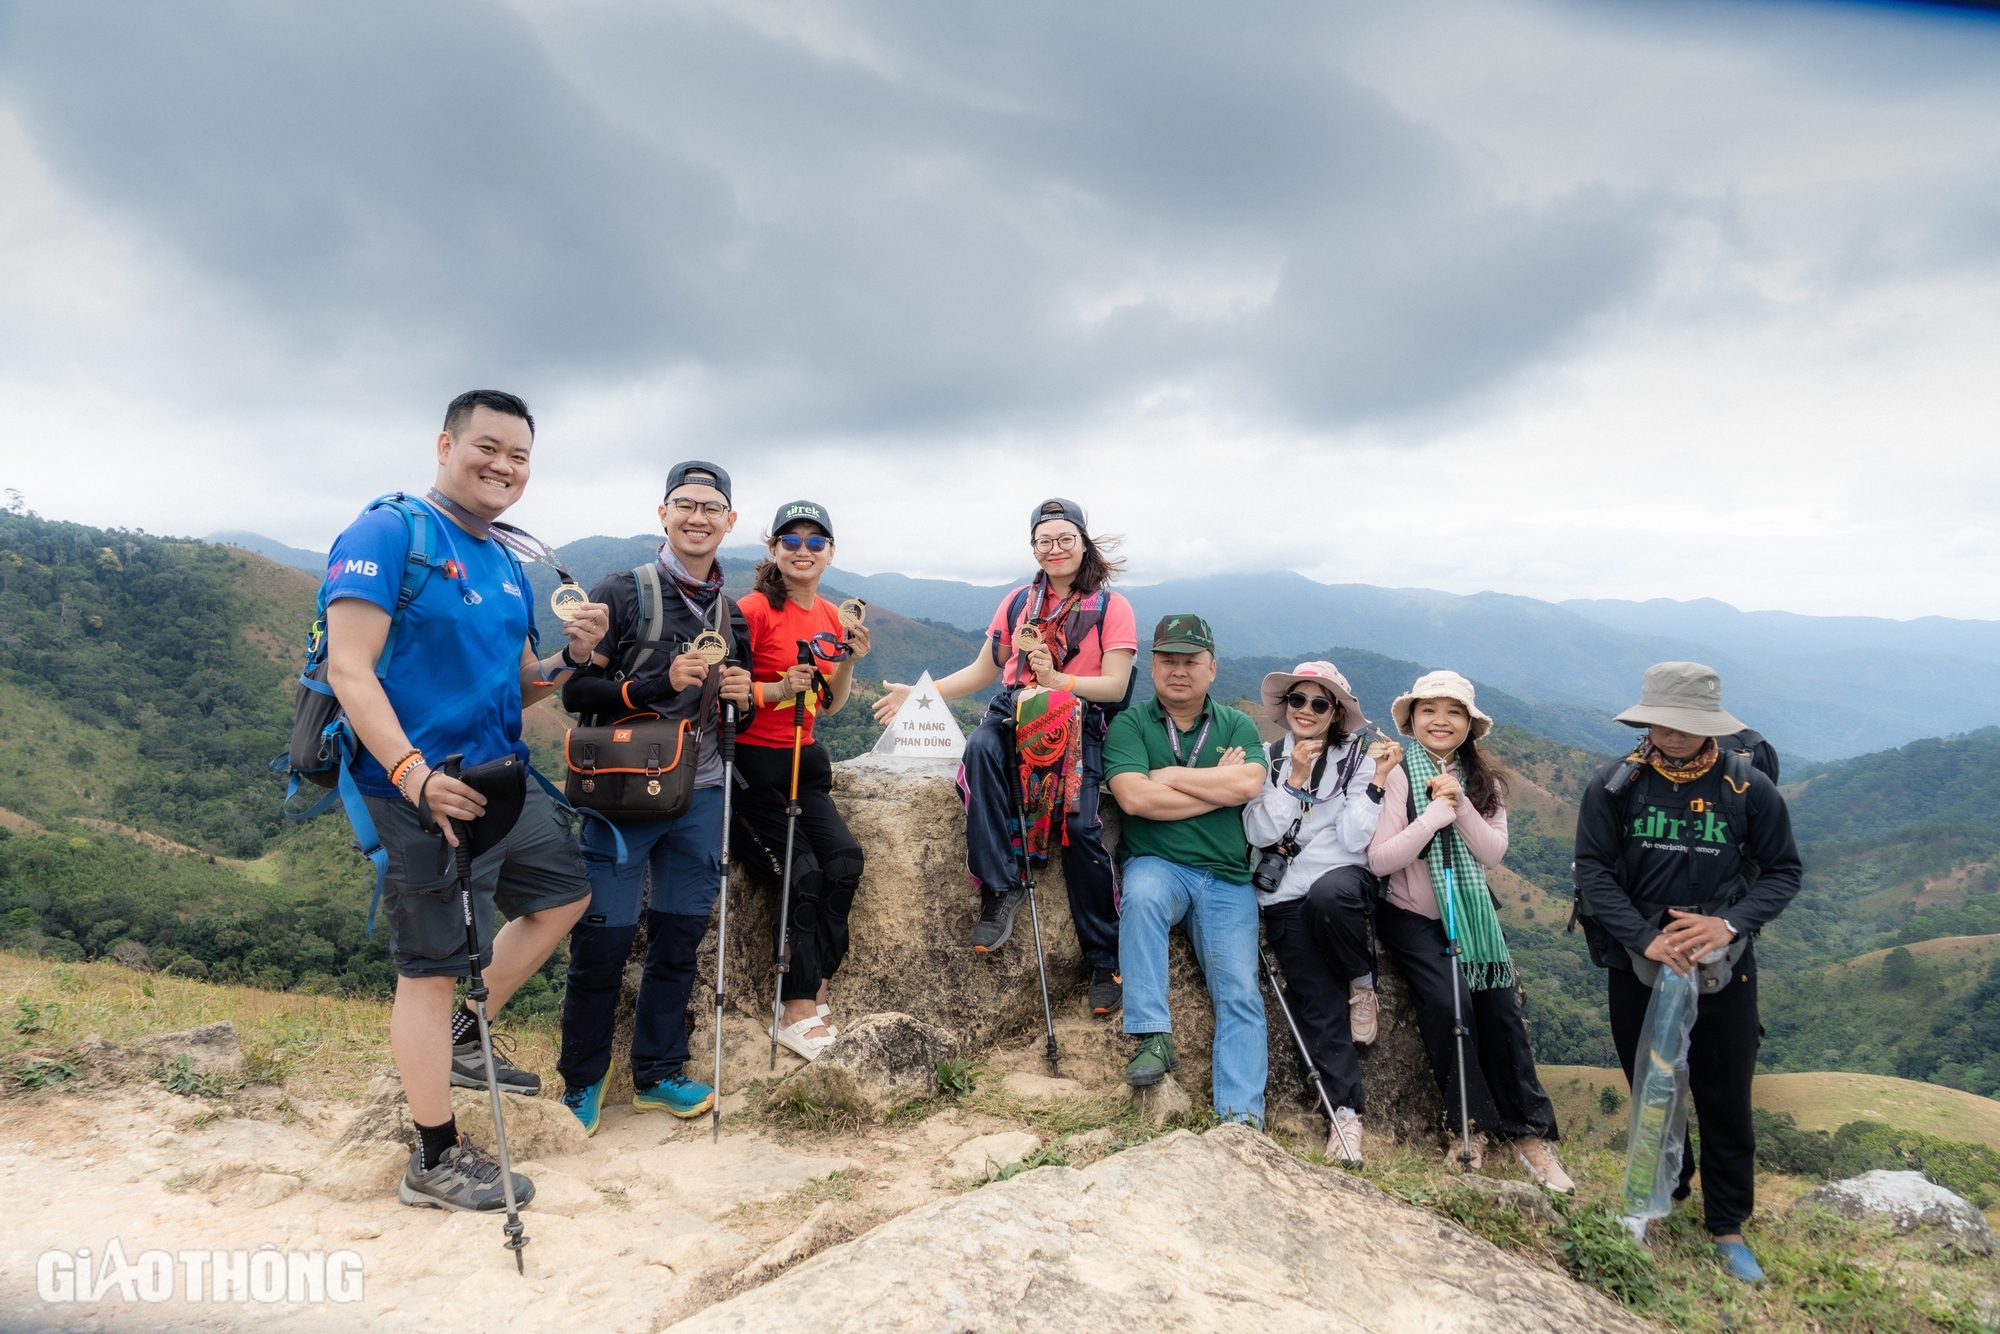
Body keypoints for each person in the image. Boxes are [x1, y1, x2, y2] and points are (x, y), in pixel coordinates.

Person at [323, 390, 604, 1212]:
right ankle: (434, 1158)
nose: (504, 466)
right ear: (446, 443)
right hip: (415, 790)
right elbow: (350, 670)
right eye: (488, 447)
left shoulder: (504, 561)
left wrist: (567, 661)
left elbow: (521, 688)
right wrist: (411, 774)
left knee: (565, 895)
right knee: (431, 970)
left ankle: (461, 1038)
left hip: (499, 779)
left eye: (519, 456)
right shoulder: (389, 532)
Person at [1573, 662, 1803, 1284]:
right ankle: (1664, 1195)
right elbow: (1592, 870)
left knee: (1725, 1096)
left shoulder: (1749, 788)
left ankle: (1727, 1225)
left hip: (1723, 965)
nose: (1671, 735)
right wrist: (1645, 939)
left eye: (1687, 725)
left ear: (1712, 727)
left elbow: (1783, 870)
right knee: (1651, 1084)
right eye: (1661, 722)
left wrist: (1725, 927)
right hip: (1638, 962)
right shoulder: (1614, 787)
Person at [872, 498, 1136, 1015]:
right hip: (1015, 710)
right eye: (1045, 540)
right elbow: (985, 668)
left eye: (1065, 539)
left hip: (1077, 720)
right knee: (979, 753)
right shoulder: (1019, 602)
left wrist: (1061, 681)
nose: (1055, 549)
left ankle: (1106, 958)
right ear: (1033, 547)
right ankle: (1001, 886)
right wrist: (922, 693)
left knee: (1082, 829)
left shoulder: (1110, 607)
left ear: (1084, 543)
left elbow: (1117, 684)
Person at [553, 462, 754, 1132]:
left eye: (712, 507)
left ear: (730, 520)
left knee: (678, 937)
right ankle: (580, 1083)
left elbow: (737, 719)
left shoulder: (733, 612)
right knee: (602, 938)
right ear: (662, 514)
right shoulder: (623, 593)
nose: (698, 517)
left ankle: (658, 1073)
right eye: (685, 505)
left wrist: (742, 700)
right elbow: (576, 693)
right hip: (620, 796)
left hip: (702, 792)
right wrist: (654, 685)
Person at [1368, 670, 1573, 1193]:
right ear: (1412, 719)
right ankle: (1472, 1127)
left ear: (1469, 726)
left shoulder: (1484, 783)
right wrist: (1433, 814)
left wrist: (1457, 807)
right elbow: (1381, 859)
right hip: (1411, 914)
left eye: (1453, 711)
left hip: (1472, 915)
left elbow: (1492, 852)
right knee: (1448, 1003)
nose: (1441, 720)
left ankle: (1529, 1133)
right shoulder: (1396, 775)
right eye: (1429, 710)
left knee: (1501, 1009)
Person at [1103, 615, 1268, 1123]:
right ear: (1152, 665)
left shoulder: (1237, 723)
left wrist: (1174, 776)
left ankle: (1240, 1120)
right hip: (1159, 863)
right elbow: (1133, 799)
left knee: (1240, 989)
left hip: (1225, 875)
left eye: (1190, 661)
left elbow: (1247, 786)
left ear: (1212, 668)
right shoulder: (1130, 724)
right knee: (1143, 896)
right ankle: (1153, 1036)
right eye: (1168, 660)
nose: (1179, 671)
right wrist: (1212, 785)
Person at [735, 500, 872, 1061]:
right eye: (790, 541)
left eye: (816, 542)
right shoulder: (752, 610)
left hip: (804, 760)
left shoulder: (835, 617)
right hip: (750, 766)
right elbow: (727, 693)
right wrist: (777, 690)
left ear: (830, 553)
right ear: (772, 549)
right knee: (804, 870)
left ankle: (816, 982)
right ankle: (794, 1006)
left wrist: (849, 662)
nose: (803, 551)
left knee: (844, 862)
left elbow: (832, 704)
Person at [1242, 662, 1386, 1162]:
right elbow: (1259, 833)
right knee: (1319, 1003)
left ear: (1336, 713)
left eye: (1319, 703)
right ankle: (1345, 1115)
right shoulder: (1268, 758)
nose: (1306, 710)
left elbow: (1353, 839)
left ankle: (1363, 982)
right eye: (1297, 700)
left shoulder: (1360, 762)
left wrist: (1373, 787)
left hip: (1338, 886)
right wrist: (1295, 780)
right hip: (1282, 897)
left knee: (1330, 895)